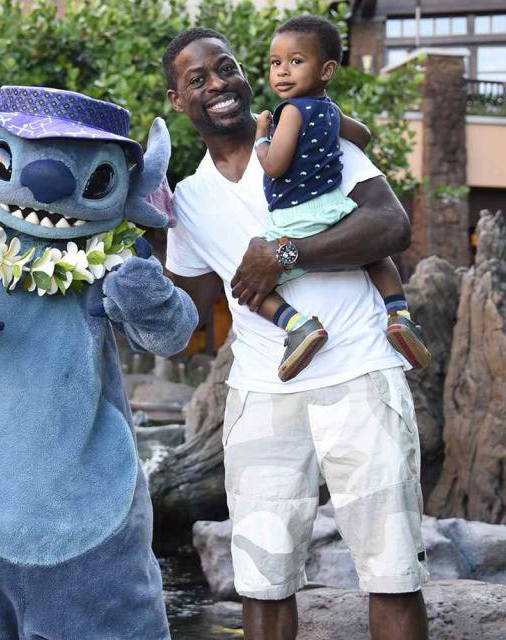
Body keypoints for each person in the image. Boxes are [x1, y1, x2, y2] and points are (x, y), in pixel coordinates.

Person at [162, 27, 429, 640]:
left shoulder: (311, 134)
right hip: (261, 389)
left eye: (226, 68)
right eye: (198, 79)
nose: (218, 84)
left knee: (391, 570)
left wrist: (282, 253)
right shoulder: (188, 199)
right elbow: (185, 318)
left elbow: (391, 225)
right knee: (262, 578)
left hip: (361, 370)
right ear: (178, 101)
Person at [250, 15, 430, 381]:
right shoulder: (329, 110)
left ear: (327, 69)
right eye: (276, 63)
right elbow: (362, 136)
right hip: (337, 207)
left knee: (253, 288)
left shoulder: (290, 112)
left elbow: (274, 166)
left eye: (296, 61)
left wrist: (260, 138)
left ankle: (298, 327)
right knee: (376, 257)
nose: (282, 71)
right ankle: (399, 315)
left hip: (295, 216)